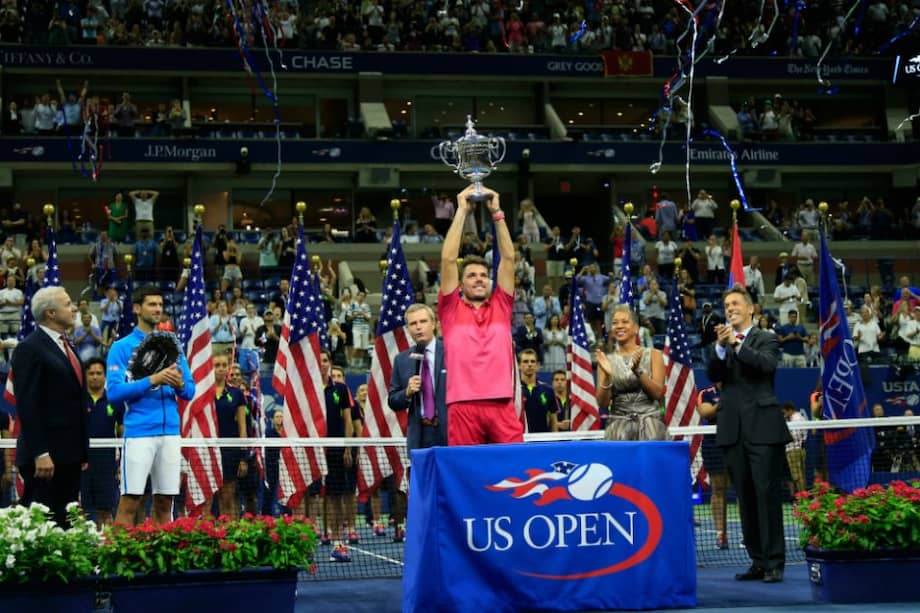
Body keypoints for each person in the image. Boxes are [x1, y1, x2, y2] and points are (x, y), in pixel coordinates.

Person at [707, 286, 791, 583]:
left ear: (751, 308)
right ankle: (757, 560)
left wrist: (738, 345)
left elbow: (765, 365)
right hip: (733, 430)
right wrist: (720, 347)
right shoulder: (721, 345)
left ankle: (774, 563)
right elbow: (713, 374)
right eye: (726, 304)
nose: (729, 308)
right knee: (744, 497)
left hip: (763, 429)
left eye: (735, 303)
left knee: (766, 495)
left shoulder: (766, 338)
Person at [438, 183, 520, 446]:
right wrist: (461, 211)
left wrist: (498, 214)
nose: (479, 279)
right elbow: (448, 260)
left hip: (501, 402)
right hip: (462, 405)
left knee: (514, 471)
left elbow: (508, 260)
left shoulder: (502, 305)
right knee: (465, 475)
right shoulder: (450, 309)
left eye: (484, 275)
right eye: (471, 275)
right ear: (460, 284)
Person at [107, 286, 195, 525]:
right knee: (130, 502)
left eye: (160, 305)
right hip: (139, 433)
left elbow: (190, 390)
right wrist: (153, 380)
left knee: (166, 503)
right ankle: (116, 561)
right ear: (137, 309)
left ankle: (163, 561)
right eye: (152, 304)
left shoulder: (173, 345)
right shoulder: (121, 347)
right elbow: (114, 393)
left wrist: (177, 385)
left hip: (170, 434)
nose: (158, 309)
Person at [13, 286, 87, 526]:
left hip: (69, 455)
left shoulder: (68, 347)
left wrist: (81, 450)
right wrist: (40, 453)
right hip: (45, 460)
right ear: (51, 313)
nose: (74, 308)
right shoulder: (30, 348)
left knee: (65, 523)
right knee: (43, 526)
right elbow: (27, 405)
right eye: (67, 304)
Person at [595, 304, 666, 441]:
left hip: (651, 428)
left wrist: (638, 371)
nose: (619, 326)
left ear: (636, 328)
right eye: (615, 323)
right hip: (618, 430)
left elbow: (657, 393)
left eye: (625, 322)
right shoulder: (606, 361)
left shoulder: (654, 355)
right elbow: (603, 404)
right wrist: (608, 376)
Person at [388, 303, 448, 450]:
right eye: (413, 324)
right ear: (408, 329)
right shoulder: (401, 360)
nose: (418, 327)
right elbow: (393, 400)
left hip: (450, 432)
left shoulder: (451, 352)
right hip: (420, 435)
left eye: (423, 321)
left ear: (433, 324)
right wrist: (407, 392)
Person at [81, 357, 122, 528]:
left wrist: (122, 459)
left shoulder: (114, 399)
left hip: (107, 463)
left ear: (105, 376)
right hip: (82, 462)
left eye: (99, 373)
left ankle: (106, 546)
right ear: (85, 375)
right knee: (82, 510)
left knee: (106, 510)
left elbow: (121, 428)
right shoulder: (78, 399)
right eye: (91, 373)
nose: (95, 377)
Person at [211, 351, 248, 518]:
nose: (220, 369)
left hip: (230, 452)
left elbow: (242, 429)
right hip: (208, 451)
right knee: (207, 498)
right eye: (216, 365)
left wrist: (243, 457)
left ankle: (230, 537)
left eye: (224, 365)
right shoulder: (203, 393)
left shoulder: (237, 394)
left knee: (227, 497)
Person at [696, 383, 729, 549]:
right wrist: (725, 402)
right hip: (713, 444)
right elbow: (705, 412)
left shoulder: (739, 388)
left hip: (737, 441)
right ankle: (721, 534)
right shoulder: (706, 393)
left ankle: (748, 534)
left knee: (745, 489)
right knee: (718, 489)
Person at [518, 349, 558, 434]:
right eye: (525, 361)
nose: (529, 364)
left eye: (533, 361)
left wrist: (555, 440)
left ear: (537, 365)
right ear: (519, 365)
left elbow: (553, 419)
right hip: (520, 440)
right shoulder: (514, 391)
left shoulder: (548, 390)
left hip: (542, 440)